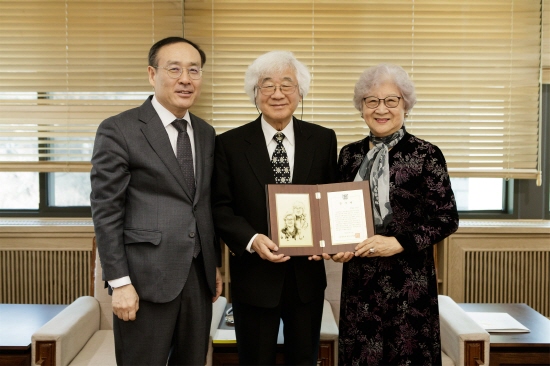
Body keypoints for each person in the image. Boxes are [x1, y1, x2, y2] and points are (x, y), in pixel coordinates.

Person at [90, 36, 222, 365]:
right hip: (144, 280)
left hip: (197, 278)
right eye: (174, 69)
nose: (185, 79)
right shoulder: (119, 129)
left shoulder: (206, 132)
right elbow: (106, 212)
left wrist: (214, 265)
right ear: (152, 74)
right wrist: (119, 283)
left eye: (194, 70)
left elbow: (202, 204)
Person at [327, 63, 459, 366]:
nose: (381, 108)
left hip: (409, 282)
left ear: (406, 105)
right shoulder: (349, 155)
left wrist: (398, 242)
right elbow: (336, 212)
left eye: (391, 100)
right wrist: (337, 246)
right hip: (360, 282)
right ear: (361, 108)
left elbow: (446, 217)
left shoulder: (427, 154)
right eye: (371, 100)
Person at [212, 50, 338, 365]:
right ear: (255, 94)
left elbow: (330, 198)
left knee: (304, 360)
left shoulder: (322, 140)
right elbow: (220, 207)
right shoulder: (229, 144)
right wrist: (252, 240)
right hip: (254, 279)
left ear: (300, 92)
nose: (278, 94)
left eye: (287, 85)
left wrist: (329, 237)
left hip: (306, 281)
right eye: (267, 86)